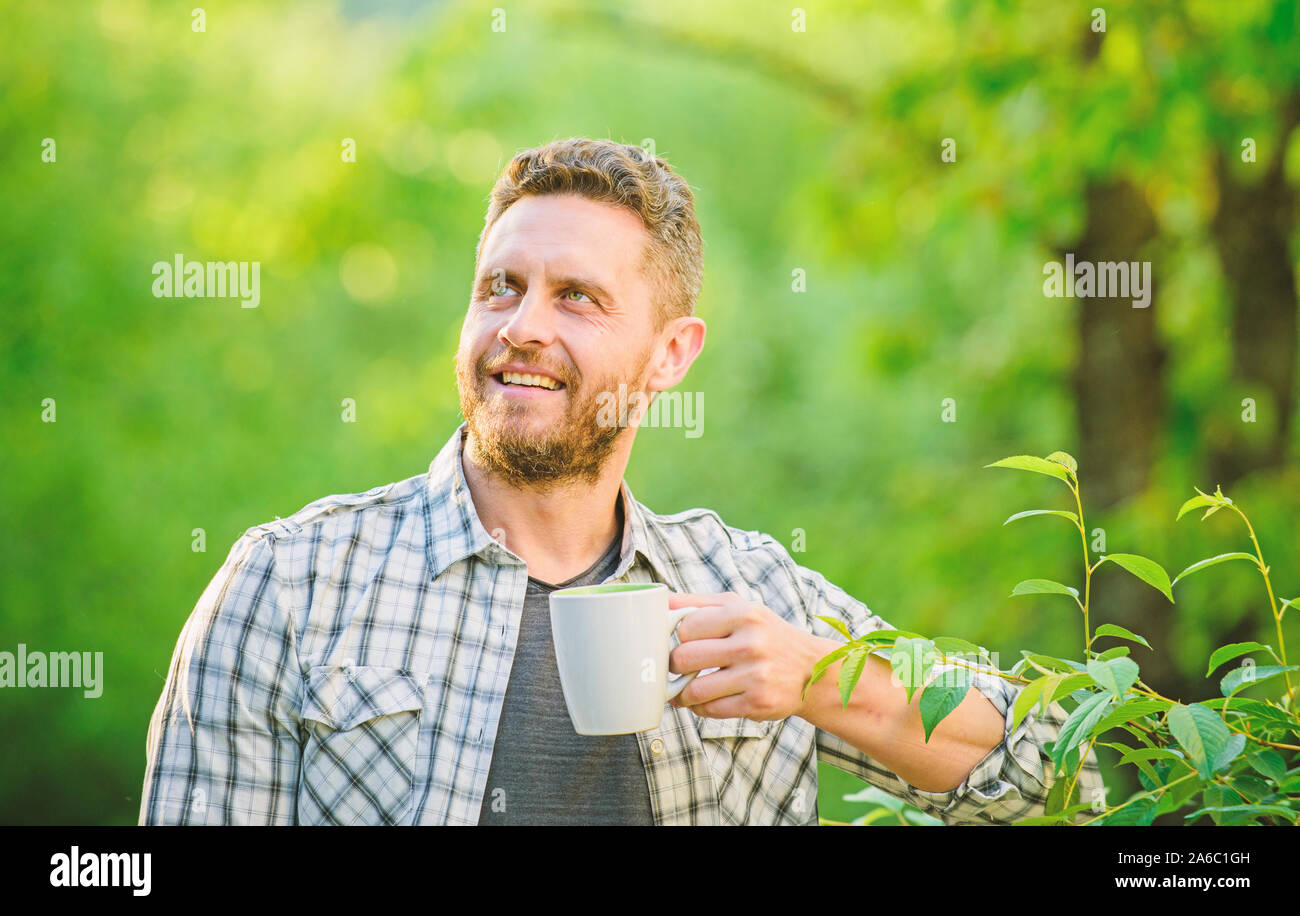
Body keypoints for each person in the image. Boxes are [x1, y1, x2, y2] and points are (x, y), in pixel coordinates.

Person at [140, 137, 1102, 825]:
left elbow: (1057, 768)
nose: (521, 326)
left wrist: (815, 680)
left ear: (670, 354)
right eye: (499, 287)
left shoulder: (751, 591)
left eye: (579, 299)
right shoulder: (291, 584)